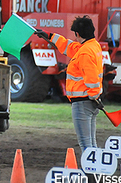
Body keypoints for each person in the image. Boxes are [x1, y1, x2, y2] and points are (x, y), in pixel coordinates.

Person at [36, 16, 103, 151]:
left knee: (86, 145)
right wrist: (48, 35)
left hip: (83, 102)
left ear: (77, 34)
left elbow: (91, 79)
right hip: (90, 102)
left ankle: (89, 171)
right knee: (91, 144)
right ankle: (95, 170)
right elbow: (67, 45)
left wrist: (93, 96)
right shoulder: (92, 46)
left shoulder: (84, 52)